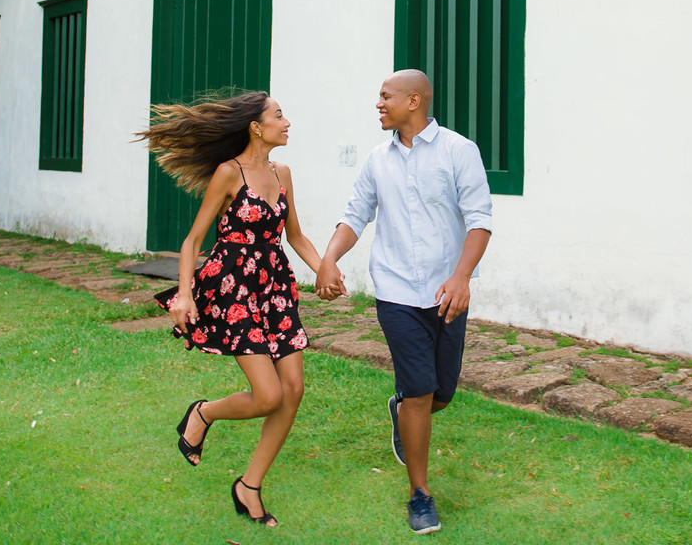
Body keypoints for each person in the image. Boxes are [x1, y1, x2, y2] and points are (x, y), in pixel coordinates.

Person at [136, 90, 331, 528]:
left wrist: (324, 270)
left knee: (292, 390)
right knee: (268, 395)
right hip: (235, 288)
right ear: (256, 127)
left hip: (275, 289)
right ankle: (203, 412)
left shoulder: (282, 173)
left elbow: (295, 237)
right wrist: (184, 294)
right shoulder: (229, 173)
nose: (287, 122)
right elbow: (192, 241)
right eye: (279, 115)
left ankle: (249, 486)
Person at [315, 69, 492, 535]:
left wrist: (461, 277)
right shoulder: (377, 160)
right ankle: (420, 494)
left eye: (385, 96)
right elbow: (355, 214)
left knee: (441, 394)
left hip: (446, 293)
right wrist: (329, 258)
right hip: (395, 293)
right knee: (418, 392)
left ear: (414, 101)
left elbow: (479, 219)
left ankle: (402, 410)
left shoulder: (459, 151)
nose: (378, 104)